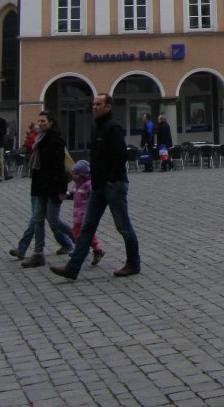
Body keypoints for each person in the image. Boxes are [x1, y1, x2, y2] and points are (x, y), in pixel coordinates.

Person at [50, 92, 140, 281]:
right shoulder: (96, 127)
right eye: (93, 104)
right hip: (97, 186)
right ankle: (72, 268)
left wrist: (110, 178)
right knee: (87, 227)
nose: (94, 107)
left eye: (99, 104)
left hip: (113, 185)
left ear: (108, 106)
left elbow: (121, 156)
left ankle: (133, 263)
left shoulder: (113, 128)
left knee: (123, 226)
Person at [20, 110, 74, 268]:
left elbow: (59, 168)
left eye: (44, 121)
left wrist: (62, 189)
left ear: (51, 122)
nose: (41, 124)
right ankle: (38, 254)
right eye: (39, 121)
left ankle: (81, 240)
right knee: (37, 219)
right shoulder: (38, 139)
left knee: (54, 221)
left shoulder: (56, 141)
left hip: (53, 186)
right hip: (40, 186)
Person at [65, 161, 105, 266]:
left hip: (85, 213)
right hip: (77, 213)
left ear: (82, 174)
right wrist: (66, 195)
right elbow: (72, 193)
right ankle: (94, 249)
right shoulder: (77, 184)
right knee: (80, 232)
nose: (73, 176)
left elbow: (94, 196)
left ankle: (85, 249)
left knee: (81, 232)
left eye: (75, 174)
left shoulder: (88, 184)